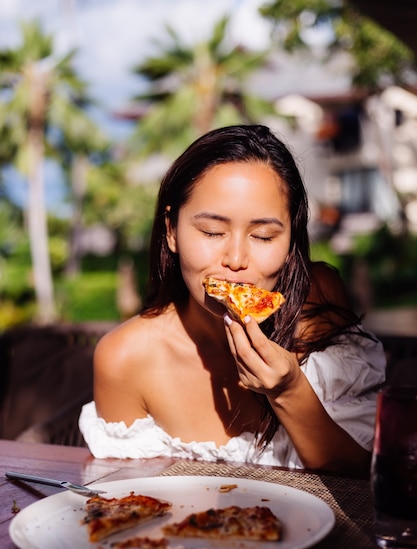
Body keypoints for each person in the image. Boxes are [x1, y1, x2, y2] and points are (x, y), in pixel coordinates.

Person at [79, 124, 386, 476]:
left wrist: (290, 392)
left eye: (264, 235)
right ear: (171, 230)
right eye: (212, 231)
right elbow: (128, 502)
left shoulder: (318, 297)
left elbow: (363, 481)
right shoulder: (124, 358)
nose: (236, 258)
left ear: (290, 243)